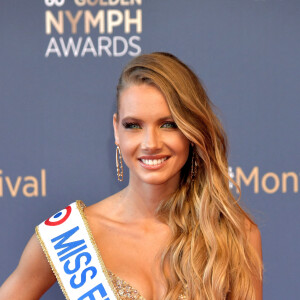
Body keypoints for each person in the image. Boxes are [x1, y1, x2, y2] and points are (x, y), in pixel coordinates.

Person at [0, 52, 263, 300]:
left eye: (168, 124)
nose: (151, 143)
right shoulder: (69, 236)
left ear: (192, 130)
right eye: (133, 125)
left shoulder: (234, 233)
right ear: (117, 130)